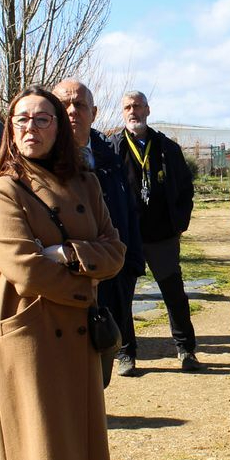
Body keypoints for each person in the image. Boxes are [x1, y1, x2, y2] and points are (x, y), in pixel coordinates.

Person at [0, 86, 148, 460]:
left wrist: (65, 252)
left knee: (86, 437)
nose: (31, 128)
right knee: (32, 440)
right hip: (30, 334)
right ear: (10, 130)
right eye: (21, 120)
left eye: (42, 119)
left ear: (59, 127)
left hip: (78, 332)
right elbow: (23, 267)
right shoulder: (4, 189)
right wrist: (83, 271)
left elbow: (115, 250)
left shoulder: (87, 181)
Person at [52, 78, 144, 387]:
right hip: (65, 276)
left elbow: (127, 209)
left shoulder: (110, 155)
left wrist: (132, 261)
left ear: (93, 113)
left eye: (79, 105)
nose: (72, 111)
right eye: (64, 105)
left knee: (99, 372)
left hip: (111, 270)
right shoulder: (40, 160)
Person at [113, 91, 200, 374]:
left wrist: (180, 224)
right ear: (123, 112)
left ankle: (186, 350)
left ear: (148, 110)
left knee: (175, 295)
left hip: (162, 235)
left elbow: (185, 188)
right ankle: (126, 354)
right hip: (126, 237)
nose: (133, 111)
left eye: (137, 106)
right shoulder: (112, 148)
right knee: (122, 298)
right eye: (128, 107)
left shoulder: (167, 148)